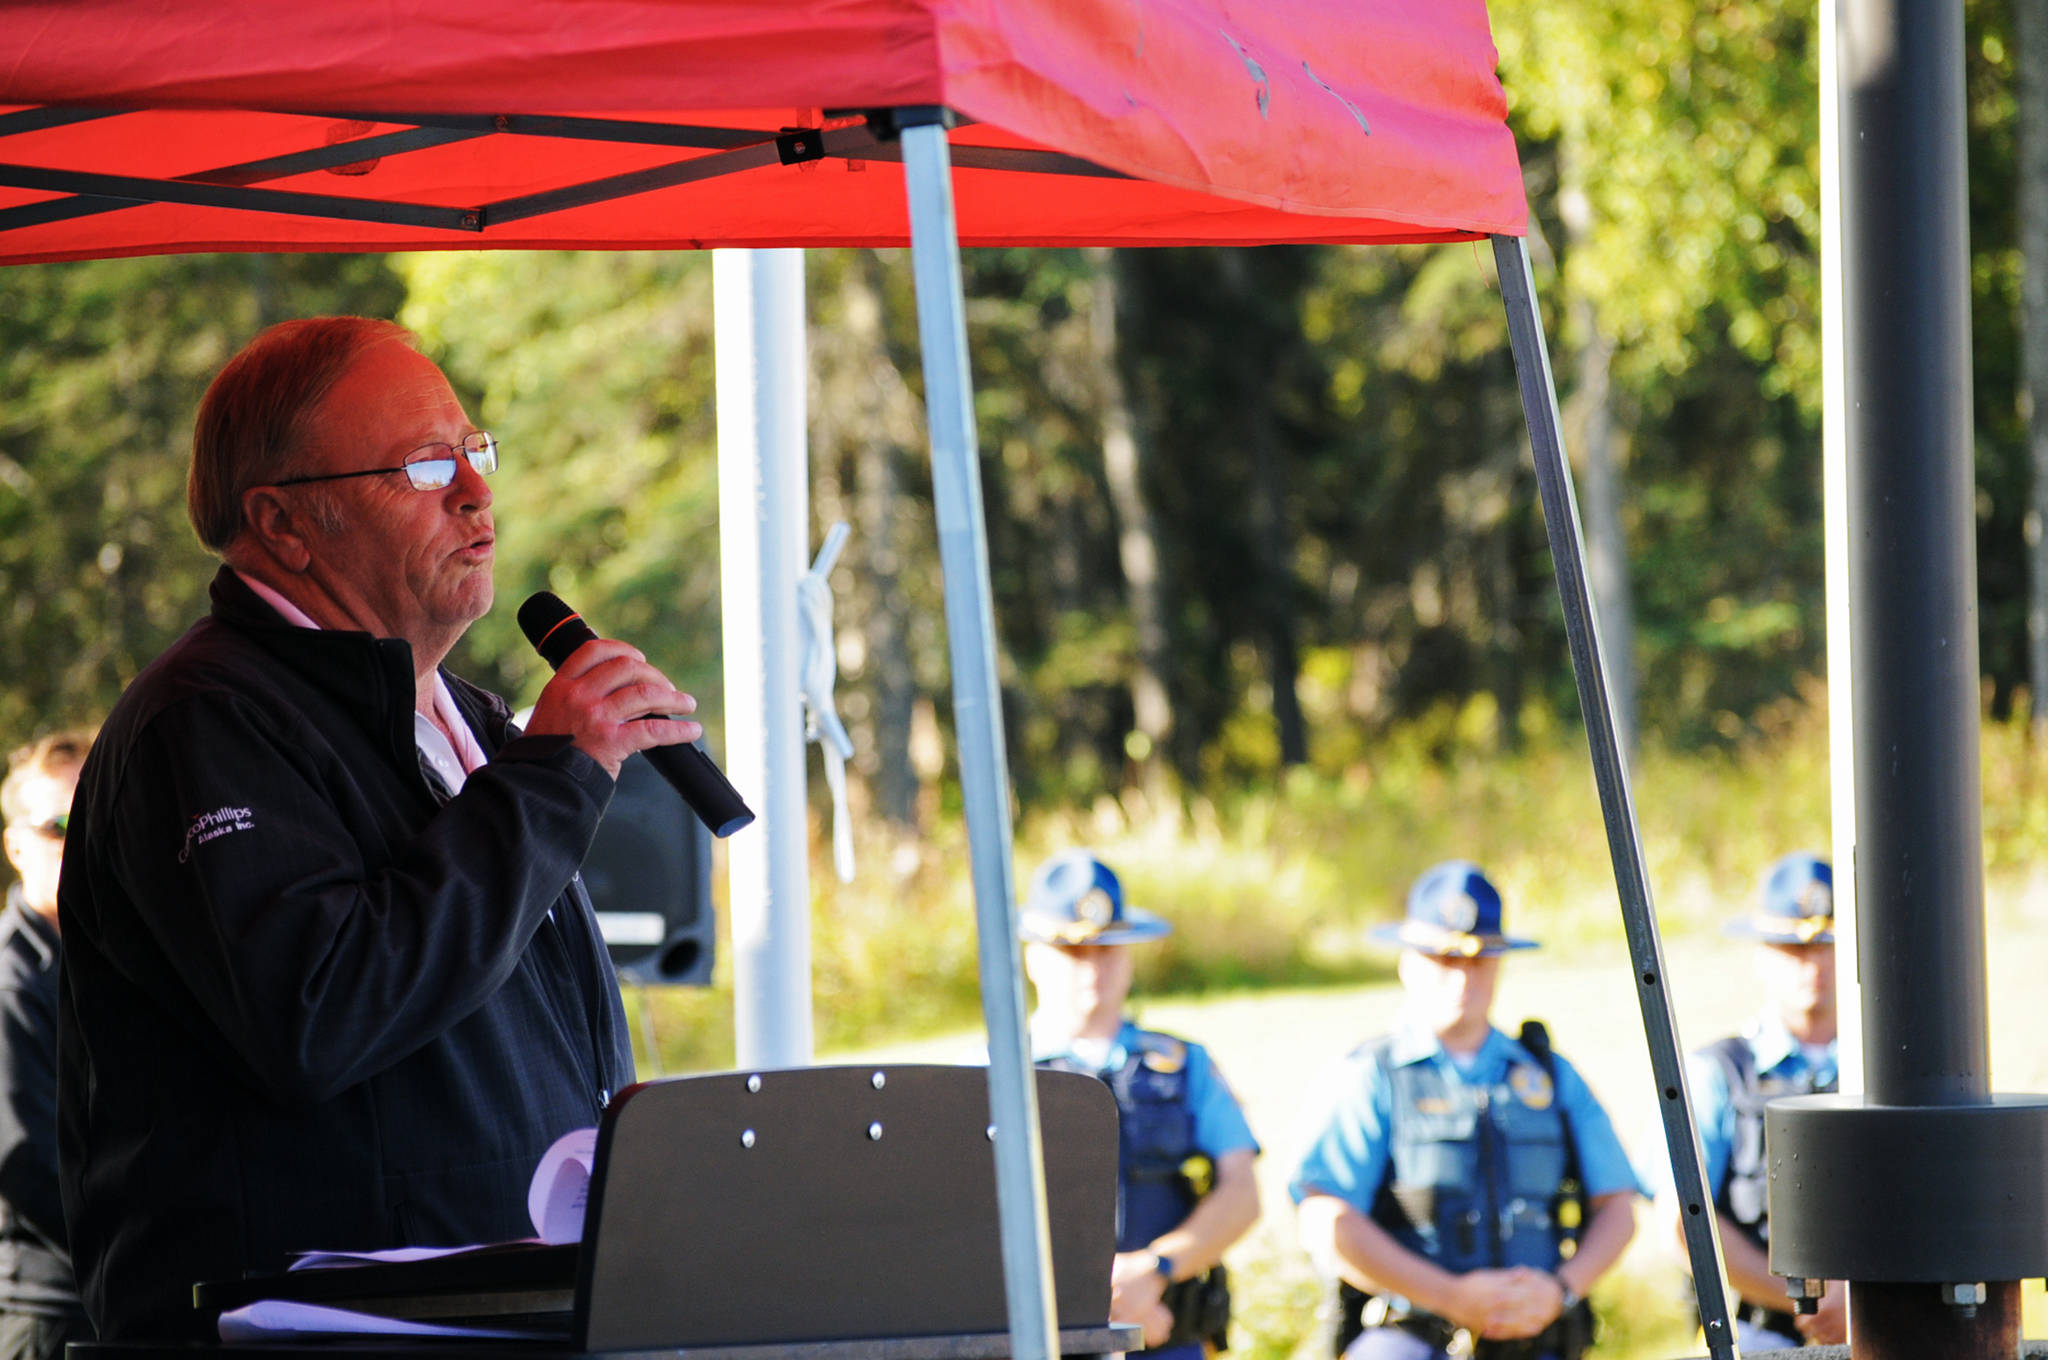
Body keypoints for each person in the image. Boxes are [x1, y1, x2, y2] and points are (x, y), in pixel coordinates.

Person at [57, 317, 703, 1339]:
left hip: (509, 1316)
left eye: (472, 448)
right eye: (421, 463)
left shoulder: (474, 725)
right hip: (313, 1329)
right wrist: (550, 781)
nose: (474, 491)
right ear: (284, 523)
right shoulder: (208, 721)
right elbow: (322, 1010)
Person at [1290, 861, 1640, 1360]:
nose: (1462, 976)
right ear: (1407, 961)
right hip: (1411, 1334)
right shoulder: (1371, 1075)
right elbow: (1325, 1217)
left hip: (1537, 1332)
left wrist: (1561, 1288)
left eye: (1479, 960)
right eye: (1444, 958)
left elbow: (1618, 1207)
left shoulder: (1550, 1074)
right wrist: (1449, 1297)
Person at [1019, 850, 1261, 1360]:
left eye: (1108, 950)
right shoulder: (990, 1074)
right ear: (1033, 957)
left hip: (1165, 1325)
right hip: (1033, 1335)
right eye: (1073, 952)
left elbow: (1243, 1191)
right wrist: (1098, 1306)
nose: (1093, 968)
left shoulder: (1183, 1065)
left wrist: (1154, 1271)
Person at [1653, 851, 1844, 1350]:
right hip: (1762, 1335)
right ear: (1761, 953)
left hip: (1887, 1331)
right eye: (1791, 948)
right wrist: (1807, 1301)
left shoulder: (1897, 1072)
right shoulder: (1717, 1072)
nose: (1812, 965)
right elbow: (1681, 1220)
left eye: (1826, 945)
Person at [0, 730, 95, 1360]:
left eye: (93, 814)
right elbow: (27, 1162)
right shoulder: (11, 981)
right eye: (59, 823)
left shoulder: (120, 958)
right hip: (54, 1316)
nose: (82, 838)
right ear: (15, 844)